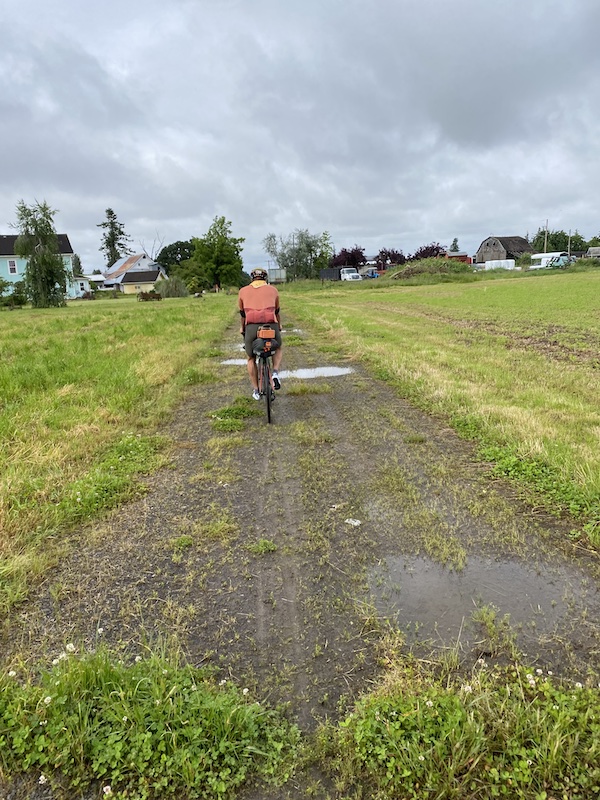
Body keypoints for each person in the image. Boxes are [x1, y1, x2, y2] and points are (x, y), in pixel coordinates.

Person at [238, 268, 283, 400]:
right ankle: (274, 372)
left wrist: (242, 328)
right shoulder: (273, 290)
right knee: (278, 346)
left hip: (251, 326)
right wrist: (279, 325)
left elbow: (242, 315)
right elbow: (277, 311)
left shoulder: (243, 291)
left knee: (251, 357)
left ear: (252, 278)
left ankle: (256, 390)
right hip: (270, 324)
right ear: (265, 278)